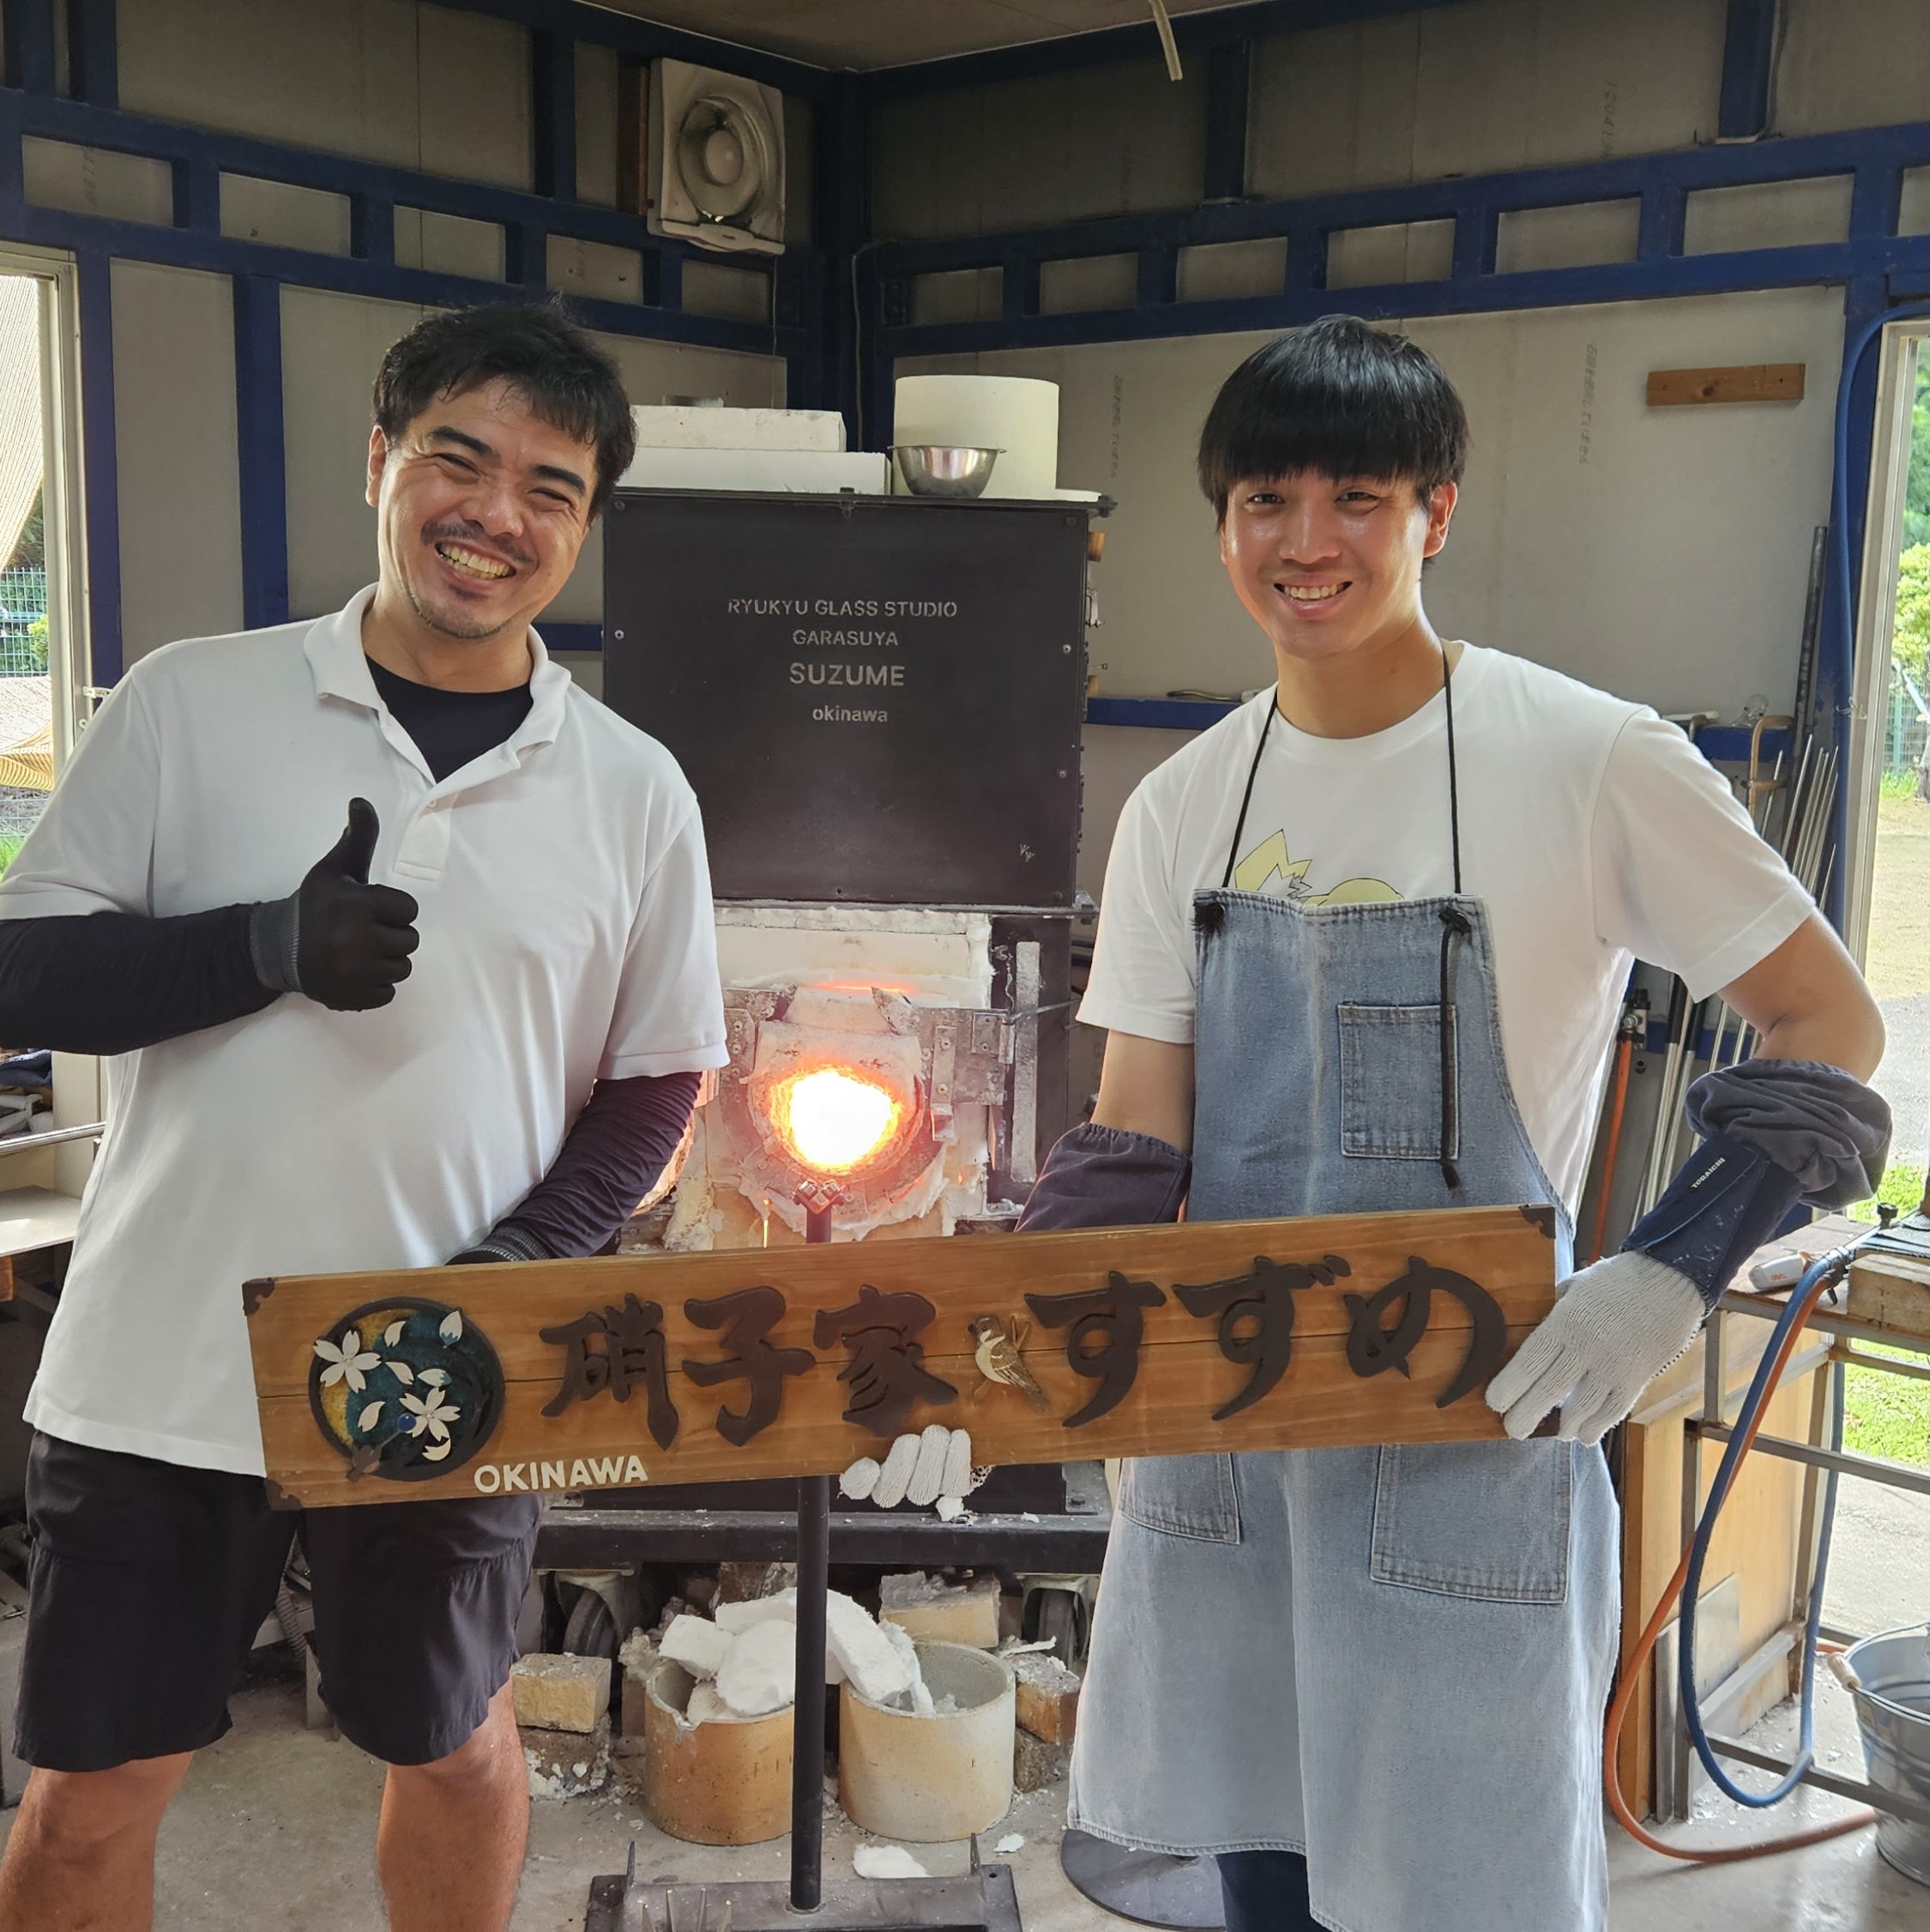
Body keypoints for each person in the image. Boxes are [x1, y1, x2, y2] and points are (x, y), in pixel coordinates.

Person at [1008, 317, 1890, 1931]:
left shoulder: (1588, 757)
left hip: (1471, 1439)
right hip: (1224, 1468)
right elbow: (1134, 1139)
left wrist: (1666, 1273)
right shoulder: (1184, 801)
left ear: (1436, 513)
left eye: (1356, 496)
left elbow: (1831, 1027)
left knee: (1458, 1897)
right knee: (1257, 1886)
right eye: (1264, 500)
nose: (1306, 541)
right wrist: (982, 1356)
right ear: (1220, 526)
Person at [0, 300, 728, 1932]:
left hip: (446, 1365)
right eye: (458, 460)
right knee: (93, 1794)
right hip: (163, 1365)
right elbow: (19, 973)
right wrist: (259, 946)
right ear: (381, 458)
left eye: (550, 488)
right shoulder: (191, 702)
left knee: (454, 1749)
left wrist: (524, 1261)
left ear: (584, 526)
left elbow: (658, 1078)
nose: (497, 515)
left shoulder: (631, 787)